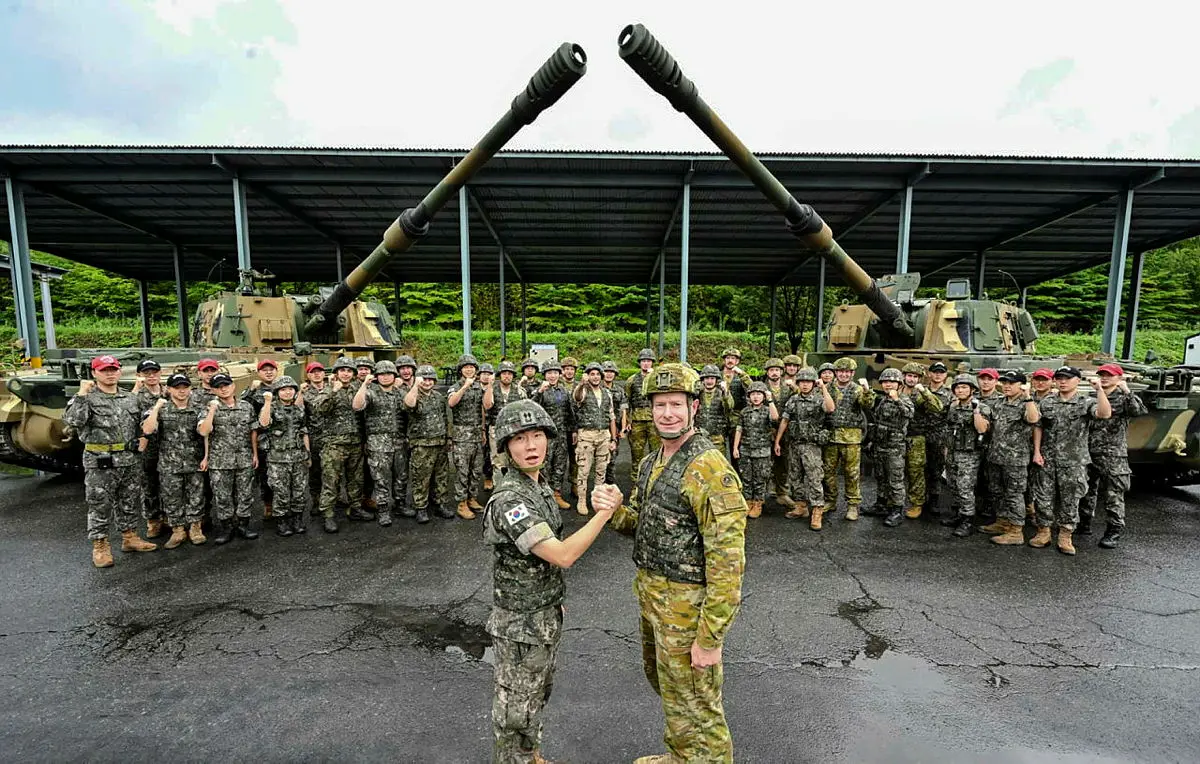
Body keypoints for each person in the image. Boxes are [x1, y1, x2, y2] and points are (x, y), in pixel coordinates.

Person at [592, 363, 747, 764]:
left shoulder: (710, 470)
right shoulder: (651, 461)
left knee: (700, 704)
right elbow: (642, 524)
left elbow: (728, 564)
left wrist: (710, 638)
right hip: (654, 598)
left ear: (694, 407)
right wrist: (614, 511)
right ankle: (681, 756)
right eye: (660, 405)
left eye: (676, 404)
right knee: (672, 690)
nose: (667, 413)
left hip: (688, 606)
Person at [483, 399, 616, 764]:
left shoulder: (536, 486)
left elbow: (543, 564)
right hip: (520, 626)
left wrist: (552, 596)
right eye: (520, 439)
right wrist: (603, 514)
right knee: (515, 711)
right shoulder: (510, 498)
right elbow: (562, 554)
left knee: (535, 697)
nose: (531, 446)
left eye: (537, 435)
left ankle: (532, 757)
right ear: (506, 447)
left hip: (541, 615)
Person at [64, 355, 157, 568]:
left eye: (114, 369)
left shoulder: (130, 398)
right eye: (105, 370)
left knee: (128, 500)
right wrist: (81, 393)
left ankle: (130, 537)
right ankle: (100, 545)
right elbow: (73, 421)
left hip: (128, 459)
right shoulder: (86, 398)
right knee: (100, 504)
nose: (110, 373)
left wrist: (143, 439)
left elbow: (142, 423)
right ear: (94, 373)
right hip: (100, 461)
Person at [1031, 366, 1111, 555]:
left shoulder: (1085, 402)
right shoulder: (1047, 402)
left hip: (1074, 460)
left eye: (1067, 378)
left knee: (1070, 499)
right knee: (1043, 498)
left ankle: (1065, 535)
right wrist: (1036, 451)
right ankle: (1043, 532)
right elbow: (1038, 426)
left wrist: (1099, 390)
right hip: (1048, 458)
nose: (1062, 381)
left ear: (1077, 380)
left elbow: (1105, 413)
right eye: (1059, 378)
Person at [1079, 364, 1146, 549]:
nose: (1105, 378)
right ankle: (1083, 523)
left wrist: (1127, 390)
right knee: (1086, 491)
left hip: (1113, 454)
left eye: (1110, 375)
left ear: (1119, 378)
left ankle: (1113, 531)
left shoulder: (1124, 398)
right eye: (1102, 375)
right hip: (1089, 451)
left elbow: (1138, 411)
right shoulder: (1093, 397)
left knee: (1113, 494)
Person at [141, 372, 207, 548]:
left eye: (185, 387)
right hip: (169, 463)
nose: (181, 391)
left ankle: (195, 528)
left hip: (194, 461)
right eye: (177, 388)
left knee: (196, 496)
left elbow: (204, 431)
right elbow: (147, 429)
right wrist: (156, 408)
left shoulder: (199, 408)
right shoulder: (160, 409)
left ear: (190, 389)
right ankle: (178, 530)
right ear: (169, 389)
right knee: (172, 497)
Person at [976, 370, 1040, 546]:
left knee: (1014, 494)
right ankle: (1003, 521)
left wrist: (1028, 397)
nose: (1007, 386)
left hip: (1015, 459)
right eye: (1004, 383)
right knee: (997, 492)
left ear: (1021, 385)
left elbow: (1033, 419)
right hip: (995, 456)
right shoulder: (998, 403)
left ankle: (1016, 531)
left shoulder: (1027, 403)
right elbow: (984, 426)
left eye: (1011, 383)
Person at [198, 372, 260, 545]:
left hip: (244, 457)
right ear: (213, 390)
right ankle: (227, 527)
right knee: (222, 496)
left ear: (233, 386)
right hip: (220, 460)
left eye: (226, 385)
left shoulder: (246, 406)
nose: (223, 389)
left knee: (245, 494)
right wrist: (211, 410)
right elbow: (204, 432)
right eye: (219, 387)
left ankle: (243, 525)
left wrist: (255, 454)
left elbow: (252, 431)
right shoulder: (208, 407)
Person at [775, 367, 835, 530]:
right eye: (802, 382)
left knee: (814, 477)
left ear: (813, 383)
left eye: (808, 382)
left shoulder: (818, 399)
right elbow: (785, 421)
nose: (805, 385)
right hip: (794, 444)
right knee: (795, 476)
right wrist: (777, 441)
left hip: (811, 445)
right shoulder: (793, 400)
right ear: (798, 383)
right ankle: (800, 506)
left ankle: (817, 510)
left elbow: (830, 408)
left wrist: (823, 388)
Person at [352, 360, 409, 528]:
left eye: (389, 373)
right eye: (382, 374)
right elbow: (357, 406)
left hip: (399, 442)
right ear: (377, 376)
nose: (385, 377)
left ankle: (399, 505)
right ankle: (383, 510)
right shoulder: (370, 392)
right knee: (381, 479)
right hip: (378, 444)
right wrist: (364, 385)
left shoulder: (400, 393)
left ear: (394, 375)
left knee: (401, 477)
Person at [822, 357, 876, 521]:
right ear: (836, 373)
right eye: (840, 371)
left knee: (851, 473)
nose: (844, 375)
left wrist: (867, 389)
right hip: (831, 436)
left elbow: (867, 405)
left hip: (851, 438)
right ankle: (830, 500)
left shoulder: (857, 389)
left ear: (852, 373)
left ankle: (853, 505)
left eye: (847, 372)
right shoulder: (828, 388)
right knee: (828, 472)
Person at [317, 357, 366, 533]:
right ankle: (328, 515)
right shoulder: (328, 389)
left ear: (353, 374)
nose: (345, 373)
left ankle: (356, 508)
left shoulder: (356, 389)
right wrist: (332, 391)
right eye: (342, 370)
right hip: (334, 444)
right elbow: (320, 409)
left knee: (356, 479)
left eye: (349, 370)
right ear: (336, 373)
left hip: (354, 442)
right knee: (331, 480)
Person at [259, 376, 310, 536]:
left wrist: (308, 454)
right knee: (280, 491)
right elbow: (264, 423)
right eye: (283, 389)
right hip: (278, 458)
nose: (287, 392)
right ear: (277, 392)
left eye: (291, 389)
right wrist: (267, 402)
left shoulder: (299, 409)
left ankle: (297, 519)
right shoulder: (271, 407)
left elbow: (304, 431)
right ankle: (281, 520)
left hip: (298, 456)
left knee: (299, 490)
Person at [940, 374, 988, 538]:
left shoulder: (981, 407)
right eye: (957, 387)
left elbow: (982, 429)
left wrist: (976, 411)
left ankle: (967, 520)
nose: (960, 390)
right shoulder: (954, 407)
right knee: (952, 485)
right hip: (953, 452)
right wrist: (946, 451)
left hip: (969, 455)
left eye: (964, 387)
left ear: (972, 390)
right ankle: (959, 514)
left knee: (965, 487)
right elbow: (949, 429)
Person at [405, 364, 454, 523]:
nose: (427, 382)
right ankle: (421, 507)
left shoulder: (439, 398)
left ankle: (439, 504)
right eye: (424, 379)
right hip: (421, 445)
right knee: (421, 478)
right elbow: (409, 405)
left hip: (439, 443)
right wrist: (415, 386)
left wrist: (448, 438)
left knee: (441, 476)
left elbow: (446, 418)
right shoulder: (413, 395)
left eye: (430, 379)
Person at [867, 368, 915, 527]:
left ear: (899, 384)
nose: (888, 385)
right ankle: (881, 503)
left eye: (892, 382)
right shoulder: (883, 400)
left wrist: (897, 400)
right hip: (880, 444)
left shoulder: (904, 399)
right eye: (885, 382)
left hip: (895, 447)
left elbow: (909, 413)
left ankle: (897, 510)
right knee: (880, 476)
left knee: (895, 479)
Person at [899, 363, 946, 519]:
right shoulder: (898, 390)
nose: (911, 379)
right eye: (909, 376)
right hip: (898, 436)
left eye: (915, 377)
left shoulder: (920, 394)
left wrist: (924, 391)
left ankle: (916, 503)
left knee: (915, 471)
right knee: (896, 471)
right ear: (904, 376)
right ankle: (890, 502)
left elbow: (937, 407)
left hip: (916, 436)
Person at [571, 361, 617, 515]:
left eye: (598, 374)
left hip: (604, 435)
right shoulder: (583, 390)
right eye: (592, 374)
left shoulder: (607, 393)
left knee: (601, 471)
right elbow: (576, 398)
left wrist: (613, 439)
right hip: (587, 435)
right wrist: (581, 384)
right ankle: (582, 500)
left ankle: (597, 501)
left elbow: (611, 416)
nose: (595, 377)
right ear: (588, 376)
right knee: (583, 470)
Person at [448, 353, 489, 520]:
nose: (469, 369)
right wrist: (464, 386)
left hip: (476, 434)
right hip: (461, 436)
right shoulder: (456, 386)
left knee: (476, 470)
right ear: (461, 370)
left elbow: (483, 408)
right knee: (462, 471)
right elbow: (451, 403)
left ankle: (472, 498)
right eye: (466, 367)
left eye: (472, 367)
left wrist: (483, 430)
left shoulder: (479, 387)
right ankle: (462, 502)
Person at [132, 359, 167, 539]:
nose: (151, 376)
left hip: (169, 445)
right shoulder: (137, 396)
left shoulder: (170, 392)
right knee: (149, 484)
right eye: (147, 373)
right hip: (148, 446)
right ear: (140, 375)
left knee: (169, 484)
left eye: (154, 372)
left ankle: (169, 516)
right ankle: (153, 521)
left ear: (160, 373)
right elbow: (128, 417)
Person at [732, 381, 777, 518]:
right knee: (746, 477)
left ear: (763, 396)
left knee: (760, 478)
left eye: (759, 394)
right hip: (746, 449)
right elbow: (739, 429)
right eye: (753, 394)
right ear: (749, 396)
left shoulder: (768, 409)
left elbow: (775, 418)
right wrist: (735, 447)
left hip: (762, 451)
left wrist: (770, 401)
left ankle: (758, 503)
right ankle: (747, 501)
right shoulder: (745, 411)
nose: (756, 397)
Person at [533, 360, 574, 510]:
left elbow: (570, 412)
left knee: (560, 464)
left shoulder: (564, 391)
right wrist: (539, 392)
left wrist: (574, 430)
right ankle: (543, 495)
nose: (552, 376)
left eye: (555, 372)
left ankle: (557, 493)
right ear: (544, 375)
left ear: (559, 374)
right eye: (549, 373)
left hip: (561, 433)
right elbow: (531, 406)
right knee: (544, 465)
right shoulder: (540, 390)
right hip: (545, 434)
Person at [242, 358, 279, 518]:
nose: (269, 372)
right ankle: (268, 504)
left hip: (283, 438)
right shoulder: (253, 391)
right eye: (265, 369)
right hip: (264, 440)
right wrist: (251, 390)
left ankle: (283, 503)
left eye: (271, 369)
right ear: (259, 373)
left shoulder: (284, 387)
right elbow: (242, 408)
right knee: (265, 475)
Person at [762, 357, 795, 510]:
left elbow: (802, 396)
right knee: (763, 463)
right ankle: (760, 495)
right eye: (771, 370)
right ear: (767, 372)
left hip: (785, 430)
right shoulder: (761, 387)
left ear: (781, 372)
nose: (774, 373)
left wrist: (794, 387)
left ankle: (782, 492)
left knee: (783, 461)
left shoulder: (788, 387)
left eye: (777, 370)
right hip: (765, 429)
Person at [488, 360, 528, 478]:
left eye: (510, 373)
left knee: (516, 459)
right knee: (498, 461)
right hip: (497, 429)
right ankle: (499, 490)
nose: (507, 376)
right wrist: (489, 386)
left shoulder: (520, 391)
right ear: (499, 375)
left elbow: (524, 411)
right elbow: (487, 406)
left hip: (515, 429)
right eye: (504, 373)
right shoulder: (493, 389)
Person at [301, 361, 330, 515]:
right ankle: (317, 499)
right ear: (308, 375)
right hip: (315, 437)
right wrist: (300, 392)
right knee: (315, 471)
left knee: (332, 471)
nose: (317, 374)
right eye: (313, 372)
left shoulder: (332, 389)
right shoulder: (305, 393)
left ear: (324, 373)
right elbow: (298, 410)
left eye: (319, 371)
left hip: (332, 437)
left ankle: (333, 497)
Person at [625, 349, 660, 473]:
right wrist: (627, 421)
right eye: (643, 361)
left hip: (654, 420)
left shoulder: (657, 379)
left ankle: (653, 481)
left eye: (648, 361)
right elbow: (627, 401)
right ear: (639, 363)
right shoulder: (632, 380)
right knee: (636, 454)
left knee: (656, 453)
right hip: (637, 421)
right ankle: (636, 483)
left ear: (652, 363)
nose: (646, 363)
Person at [695, 364, 736, 458]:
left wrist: (726, 392)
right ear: (703, 380)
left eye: (712, 378)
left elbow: (730, 407)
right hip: (700, 437)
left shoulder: (722, 393)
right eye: (707, 378)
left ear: (716, 380)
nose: (709, 381)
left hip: (718, 438)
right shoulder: (697, 394)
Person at [601, 360, 629, 485]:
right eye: (606, 371)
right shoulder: (597, 388)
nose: (609, 374)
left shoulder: (619, 390)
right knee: (599, 459)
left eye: (611, 372)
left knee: (612, 459)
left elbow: (623, 410)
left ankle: (610, 483)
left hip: (614, 429)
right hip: (600, 428)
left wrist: (622, 429)